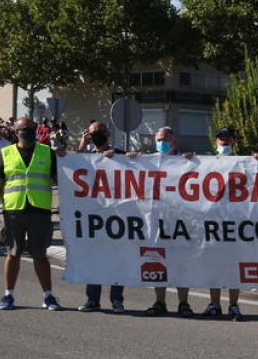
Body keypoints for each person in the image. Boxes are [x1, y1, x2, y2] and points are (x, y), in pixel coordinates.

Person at [0, 116, 64, 311]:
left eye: (32, 128)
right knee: (13, 254)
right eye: (25, 128)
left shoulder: (47, 152)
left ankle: (48, 296)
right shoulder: (7, 153)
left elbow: (61, 179)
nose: (29, 131)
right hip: (14, 211)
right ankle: (8, 295)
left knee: (40, 255)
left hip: (39, 210)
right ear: (16, 132)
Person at [137, 126, 195, 317]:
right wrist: (128, 159)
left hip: (179, 219)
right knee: (156, 259)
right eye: (160, 139)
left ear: (174, 142)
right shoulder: (148, 160)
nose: (162, 143)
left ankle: (184, 303)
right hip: (155, 218)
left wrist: (192, 161)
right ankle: (159, 301)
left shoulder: (185, 160)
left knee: (180, 262)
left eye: (166, 140)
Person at [77, 121, 127, 313]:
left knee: (116, 259)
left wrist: (121, 158)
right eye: (93, 133)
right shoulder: (85, 156)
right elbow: (72, 170)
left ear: (108, 134)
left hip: (117, 215)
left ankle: (116, 300)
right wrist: (82, 145)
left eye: (100, 132)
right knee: (93, 259)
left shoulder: (119, 153)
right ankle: (92, 299)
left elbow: (138, 165)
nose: (97, 135)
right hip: (94, 216)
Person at [201, 126, 244, 321]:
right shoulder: (206, 162)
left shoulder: (244, 162)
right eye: (220, 138)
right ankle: (215, 304)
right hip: (213, 222)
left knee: (234, 266)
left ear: (234, 141)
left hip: (236, 222)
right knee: (213, 265)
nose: (223, 142)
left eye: (227, 138)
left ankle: (234, 305)